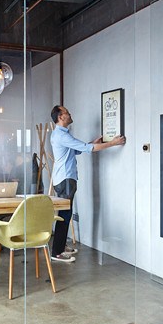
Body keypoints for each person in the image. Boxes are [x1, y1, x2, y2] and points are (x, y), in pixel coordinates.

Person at [49, 105, 126, 262]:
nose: (70, 113)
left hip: (63, 179)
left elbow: (76, 150)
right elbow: (87, 148)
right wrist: (113, 143)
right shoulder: (61, 135)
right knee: (65, 215)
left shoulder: (61, 134)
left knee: (65, 214)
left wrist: (92, 142)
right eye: (67, 112)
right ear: (60, 117)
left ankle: (60, 246)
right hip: (65, 179)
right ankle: (57, 252)